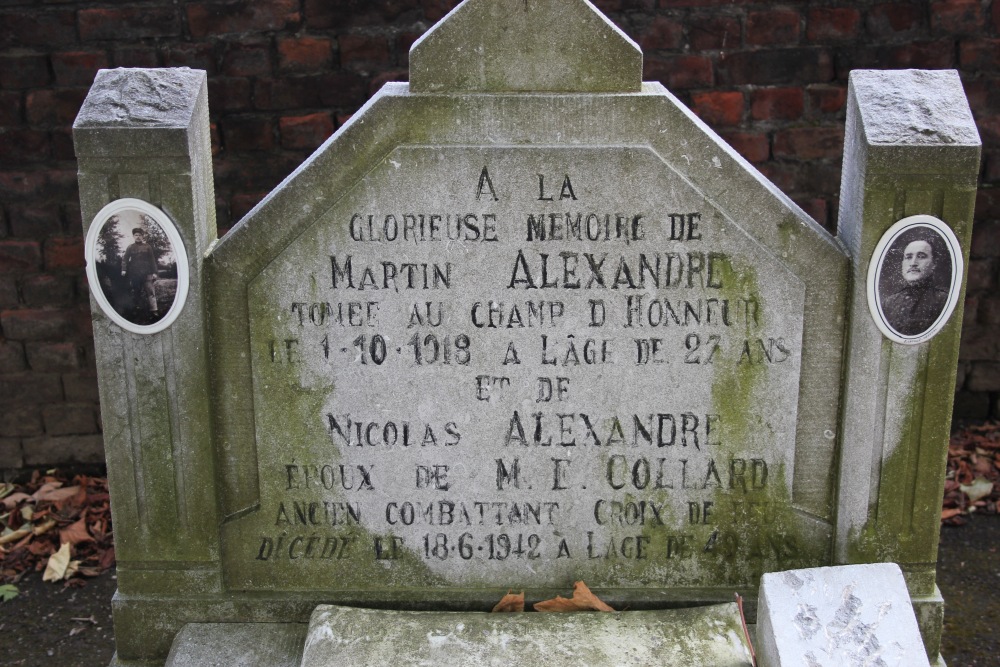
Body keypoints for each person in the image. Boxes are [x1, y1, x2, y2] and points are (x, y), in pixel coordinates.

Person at [882, 238, 947, 336]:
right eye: (908, 257)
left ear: (934, 263)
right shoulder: (889, 303)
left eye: (921, 256)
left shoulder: (943, 300)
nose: (913, 263)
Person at [121, 227, 159, 322]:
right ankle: (137, 310)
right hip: (135, 274)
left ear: (143, 236)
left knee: (150, 292)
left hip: (147, 274)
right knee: (136, 292)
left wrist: (154, 272)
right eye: (136, 235)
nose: (138, 237)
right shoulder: (130, 247)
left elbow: (152, 260)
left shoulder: (147, 247)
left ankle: (154, 310)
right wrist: (124, 269)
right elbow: (125, 259)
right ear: (133, 236)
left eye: (140, 235)